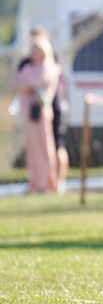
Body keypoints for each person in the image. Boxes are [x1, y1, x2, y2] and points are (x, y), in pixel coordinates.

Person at [10, 34, 61, 193]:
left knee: (44, 147)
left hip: (40, 112)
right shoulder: (28, 67)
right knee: (32, 149)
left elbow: (34, 83)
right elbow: (14, 83)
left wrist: (24, 85)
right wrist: (24, 85)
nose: (34, 53)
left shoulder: (49, 66)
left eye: (37, 49)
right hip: (27, 113)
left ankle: (46, 182)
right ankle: (35, 181)